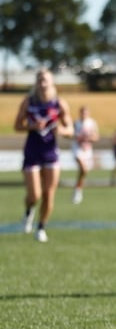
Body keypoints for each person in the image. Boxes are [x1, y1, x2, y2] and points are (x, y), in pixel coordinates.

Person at [13, 68, 74, 242]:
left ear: (52, 82)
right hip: (32, 151)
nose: (43, 82)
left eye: (46, 79)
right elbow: (17, 125)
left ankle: (41, 227)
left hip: (50, 153)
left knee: (49, 194)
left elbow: (70, 129)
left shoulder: (59, 103)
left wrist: (61, 130)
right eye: (40, 79)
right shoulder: (28, 102)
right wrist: (32, 127)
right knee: (34, 195)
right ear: (36, 82)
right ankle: (29, 211)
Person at [71, 105, 99, 204]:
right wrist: (77, 137)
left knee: (84, 172)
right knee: (83, 169)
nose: (84, 115)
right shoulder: (76, 123)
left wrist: (88, 138)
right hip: (77, 149)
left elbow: (96, 137)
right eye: (82, 113)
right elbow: (71, 135)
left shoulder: (92, 123)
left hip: (87, 150)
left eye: (85, 113)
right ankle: (78, 190)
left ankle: (78, 189)